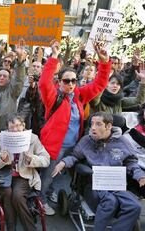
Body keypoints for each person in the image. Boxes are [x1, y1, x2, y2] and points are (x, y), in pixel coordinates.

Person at [38, 40, 111, 215]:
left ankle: (47, 192)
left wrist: (104, 63)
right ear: (60, 81)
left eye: (74, 80)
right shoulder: (53, 97)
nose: (71, 83)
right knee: (48, 176)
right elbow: (43, 83)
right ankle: (40, 201)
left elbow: (99, 84)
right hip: (54, 147)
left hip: (72, 146)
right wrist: (54, 58)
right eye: (66, 80)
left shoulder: (79, 95)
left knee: (58, 175)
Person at [52, 112, 145, 231]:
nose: (92, 127)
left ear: (108, 126)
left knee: (135, 206)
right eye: (92, 124)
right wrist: (63, 163)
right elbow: (75, 156)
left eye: (98, 124)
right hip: (95, 183)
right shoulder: (87, 140)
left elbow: (130, 160)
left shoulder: (122, 141)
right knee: (109, 202)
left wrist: (138, 174)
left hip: (116, 183)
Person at [0, 114, 50, 231]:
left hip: (24, 174)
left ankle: (30, 228)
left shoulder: (33, 138)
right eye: (12, 127)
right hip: (5, 174)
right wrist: (1, 158)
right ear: (7, 128)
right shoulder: (0, 138)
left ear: (23, 126)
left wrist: (32, 159)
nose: (15, 130)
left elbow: (46, 159)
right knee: (7, 192)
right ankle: (11, 227)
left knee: (17, 196)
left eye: (18, 126)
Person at [0, 45, 26, 150]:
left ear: (9, 79)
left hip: (7, 135)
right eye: (0, 75)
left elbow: (19, 79)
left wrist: (20, 62)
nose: (2, 77)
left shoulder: (12, 91)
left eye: (5, 76)